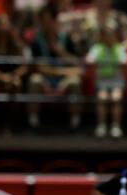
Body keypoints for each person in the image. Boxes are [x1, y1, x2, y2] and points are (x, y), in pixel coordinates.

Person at [27, 3, 84, 131]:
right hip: (45, 80)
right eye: (43, 21)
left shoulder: (66, 39)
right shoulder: (36, 41)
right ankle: (33, 122)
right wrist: (61, 71)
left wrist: (61, 52)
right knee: (34, 80)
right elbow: (39, 68)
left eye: (49, 21)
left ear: (55, 21)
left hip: (63, 80)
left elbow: (79, 68)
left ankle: (75, 123)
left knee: (75, 82)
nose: (46, 25)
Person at [86, 22, 127, 138]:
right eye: (107, 34)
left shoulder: (119, 48)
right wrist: (92, 61)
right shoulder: (97, 48)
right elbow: (88, 60)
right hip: (102, 82)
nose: (109, 37)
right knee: (102, 98)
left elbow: (125, 61)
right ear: (102, 36)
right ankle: (102, 126)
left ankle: (116, 126)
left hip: (117, 81)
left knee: (116, 98)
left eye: (111, 34)